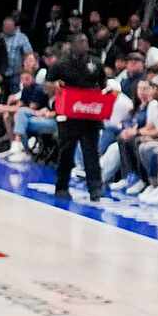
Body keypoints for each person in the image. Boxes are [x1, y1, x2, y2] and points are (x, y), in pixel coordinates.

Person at [45, 37, 110, 202]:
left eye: (86, 42)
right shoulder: (61, 64)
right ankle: (61, 187)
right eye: (80, 42)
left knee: (91, 152)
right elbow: (48, 83)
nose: (84, 44)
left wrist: (105, 96)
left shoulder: (95, 63)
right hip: (69, 114)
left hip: (89, 113)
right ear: (72, 45)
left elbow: (104, 85)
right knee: (66, 151)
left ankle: (95, 189)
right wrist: (55, 87)